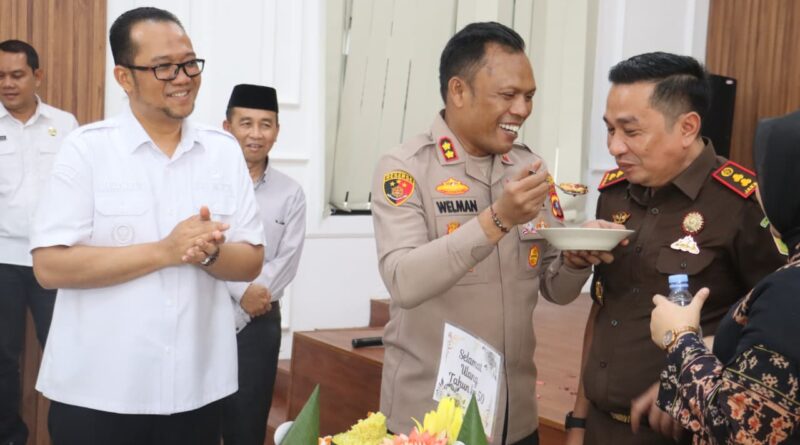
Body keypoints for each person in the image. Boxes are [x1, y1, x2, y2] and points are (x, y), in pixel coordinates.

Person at [28, 7, 264, 444]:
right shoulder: (88, 150)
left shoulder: (222, 151)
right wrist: (165, 251)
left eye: (189, 63)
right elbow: (49, 266)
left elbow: (251, 260)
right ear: (124, 77)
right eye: (163, 67)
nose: (183, 77)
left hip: (195, 390)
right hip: (98, 391)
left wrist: (209, 254)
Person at [371, 22, 597, 445]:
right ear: (459, 91)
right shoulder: (405, 169)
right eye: (508, 95)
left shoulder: (529, 168)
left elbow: (557, 289)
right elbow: (403, 281)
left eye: (529, 96)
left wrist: (576, 260)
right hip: (432, 423)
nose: (522, 109)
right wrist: (497, 219)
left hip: (516, 419)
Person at [564, 52, 785, 445]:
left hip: (684, 433)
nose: (614, 146)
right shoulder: (614, 196)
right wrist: (577, 423)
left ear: (687, 127)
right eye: (609, 129)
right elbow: (602, 309)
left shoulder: (741, 205)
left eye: (631, 132)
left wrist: (686, 380)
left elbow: (773, 333)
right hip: (599, 426)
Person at [649, 109, 800, 444]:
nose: (757, 192)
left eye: (765, 178)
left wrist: (680, 340)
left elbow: (740, 429)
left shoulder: (789, 292)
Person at [0, 39, 78, 445]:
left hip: (54, 259)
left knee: (66, 353)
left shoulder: (65, 125)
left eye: (17, 75)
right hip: (2, 261)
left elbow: (80, 189)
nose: (8, 84)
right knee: (2, 359)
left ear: (37, 76)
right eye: (0, 76)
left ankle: (70, 436)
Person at [220, 84, 306, 445]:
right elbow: (200, 249)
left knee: (248, 425)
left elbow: (287, 259)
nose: (256, 134)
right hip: (207, 313)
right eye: (246, 123)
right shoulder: (206, 183)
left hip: (260, 320)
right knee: (195, 424)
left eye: (265, 124)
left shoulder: (291, 193)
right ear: (227, 128)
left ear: (277, 131)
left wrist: (253, 296)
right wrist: (241, 292)